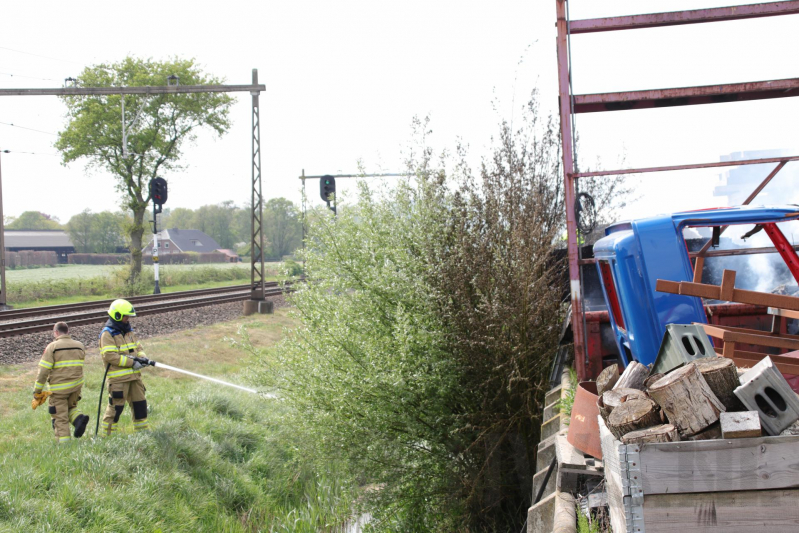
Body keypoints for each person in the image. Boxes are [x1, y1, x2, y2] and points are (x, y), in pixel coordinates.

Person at [100, 299, 152, 436]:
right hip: (119, 380)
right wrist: (132, 363)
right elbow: (110, 356)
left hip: (134, 377)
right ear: (117, 315)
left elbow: (138, 347)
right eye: (125, 316)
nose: (128, 319)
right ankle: (107, 437)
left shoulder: (129, 332)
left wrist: (143, 358)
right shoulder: (107, 334)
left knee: (140, 405)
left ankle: (143, 434)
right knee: (116, 408)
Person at [33, 322, 89, 443]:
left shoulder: (52, 347)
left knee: (59, 416)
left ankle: (65, 445)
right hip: (76, 387)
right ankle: (79, 419)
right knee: (70, 407)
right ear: (67, 331)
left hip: (59, 390)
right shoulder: (79, 345)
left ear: (56, 332)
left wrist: (37, 391)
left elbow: (43, 371)